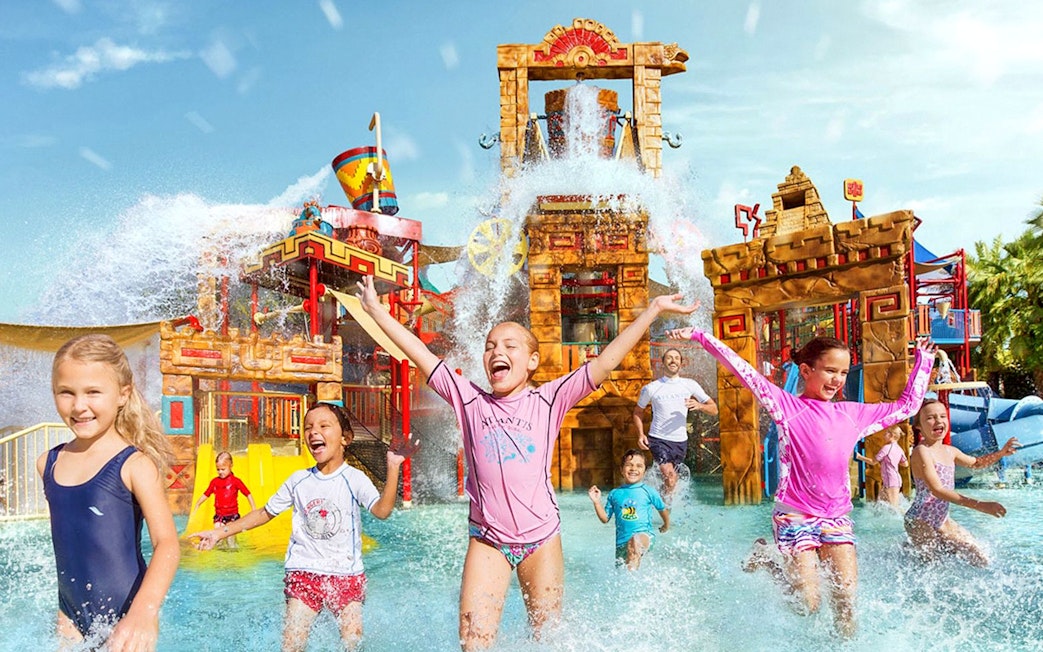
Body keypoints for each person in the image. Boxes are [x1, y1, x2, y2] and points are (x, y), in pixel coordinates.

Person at [355, 274, 696, 650]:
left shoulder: (549, 399)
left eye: (509, 345)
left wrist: (652, 310)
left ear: (532, 360)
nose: (496, 351)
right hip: (488, 540)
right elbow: (420, 352)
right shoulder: (469, 399)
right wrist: (375, 311)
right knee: (473, 641)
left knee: (548, 638)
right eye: (489, 346)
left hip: (541, 539)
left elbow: (607, 361)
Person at [668, 324, 934, 638]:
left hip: (836, 517)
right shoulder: (786, 406)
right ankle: (766, 560)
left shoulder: (852, 414)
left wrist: (924, 363)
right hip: (795, 515)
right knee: (807, 604)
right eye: (830, 370)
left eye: (844, 372)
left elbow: (907, 407)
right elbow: (742, 369)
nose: (837, 379)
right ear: (806, 370)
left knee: (846, 602)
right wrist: (701, 336)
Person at [191, 402, 406, 651]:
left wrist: (393, 468)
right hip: (304, 574)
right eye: (308, 428)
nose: (314, 432)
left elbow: (382, 510)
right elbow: (264, 512)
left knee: (352, 642)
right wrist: (220, 532)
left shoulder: (353, 478)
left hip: (346, 576)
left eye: (324, 426)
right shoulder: (298, 480)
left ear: (345, 438)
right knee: (292, 645)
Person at [37, 334, 180, 651]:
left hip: (128, 618)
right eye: (66, 393)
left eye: (93, 392)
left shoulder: (134, 465)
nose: (79, 406)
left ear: (122, 394)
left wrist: (145, 611)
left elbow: (167, 544)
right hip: (70, 620)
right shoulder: (48, 463)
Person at [904, 398, 1018, 567]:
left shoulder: (950, 451)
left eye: (942, 416)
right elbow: (937, 490)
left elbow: (976, 463)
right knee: (930, 568)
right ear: (919, 425)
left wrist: (1000, 454)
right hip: (920, 520)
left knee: (979, 558)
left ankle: (906, 550)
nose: (938, 421)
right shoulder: (922, 451)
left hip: (942, 519)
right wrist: (981, 506)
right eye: (930, 417)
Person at [632, 347, 717, 500]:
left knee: (672, 480)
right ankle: (666, 513)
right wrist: (640, 435)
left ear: (681, 363)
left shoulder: (690, 384)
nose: (673, 360)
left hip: (680, 442)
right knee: (671, 477)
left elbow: (714, 409)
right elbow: (638, 412)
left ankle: (657, 502)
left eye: (677, 358)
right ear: (663, 363)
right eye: (669, 358)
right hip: (658, 439)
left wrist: (700, 406)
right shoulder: (651, 388)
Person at [588, 449, 670, 570]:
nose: (633, 469)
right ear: (621, 469)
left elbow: (662, 509)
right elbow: (605, 518)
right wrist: (596, 502)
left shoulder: (648, 491)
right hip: (621, 543)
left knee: (635, 542)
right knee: (623, 573)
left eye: (639, 466)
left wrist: (666, 525)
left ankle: (634, 585)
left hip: (644, 536)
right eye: (629, 465)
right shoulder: (615, 494)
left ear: (644, 471)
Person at [191, 450, 256, 548]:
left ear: (231, 466)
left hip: (232, 515)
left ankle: (233, 552)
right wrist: (197, 504)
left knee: (230, 540)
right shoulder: (215, 482)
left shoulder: (236, 481)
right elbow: (206, 494)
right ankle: (215, 551)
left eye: (223, 469)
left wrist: (253, 508)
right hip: (219, 515)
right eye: (218, 469)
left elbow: (248, 494)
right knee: (217, 537)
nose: (220, 472)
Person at [870, 425, 909, 507]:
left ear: (892, 435)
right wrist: (893, 462)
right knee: (879, 504)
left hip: (891, 481)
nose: (884, 435)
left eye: (886, 433)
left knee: (894, 508)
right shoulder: (899, 449)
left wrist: (859, 457)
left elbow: (873, 462)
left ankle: (908, 519)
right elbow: (906, 464)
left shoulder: (887, 448)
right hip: (892, 480)